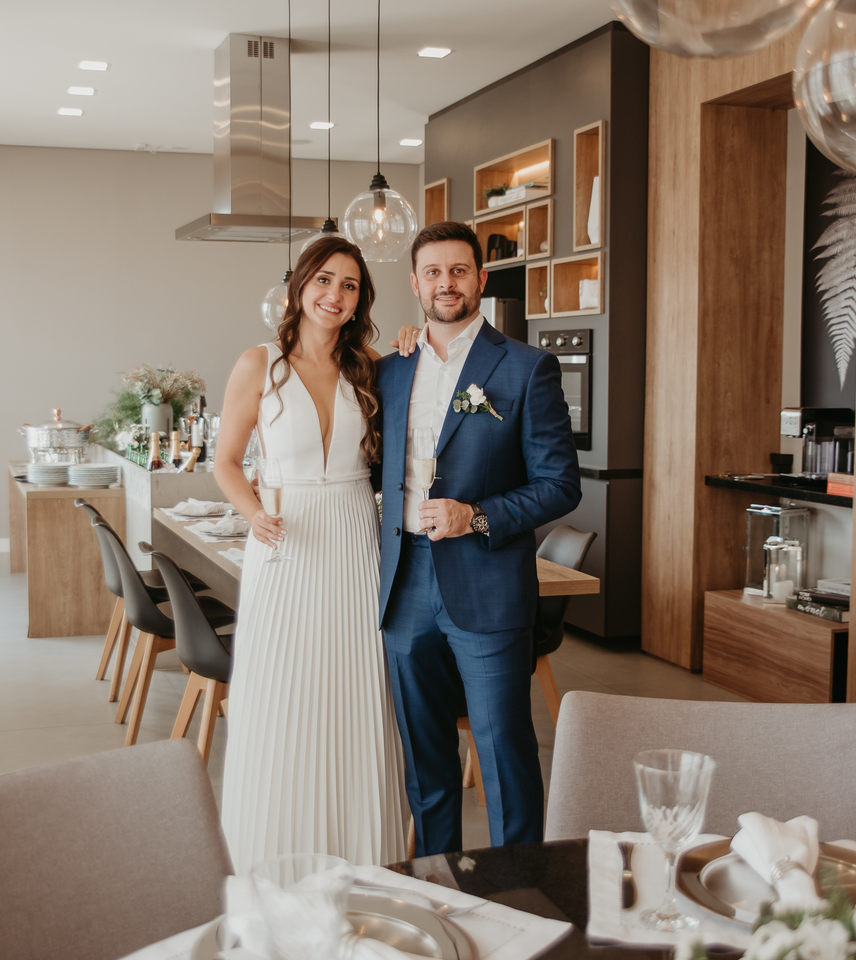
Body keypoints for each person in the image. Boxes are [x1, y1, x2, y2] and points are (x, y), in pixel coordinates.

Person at [373, 220, 582, 856]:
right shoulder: (389, 372)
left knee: (503, 750)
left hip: (488, 585)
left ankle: (519, 890)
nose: (446, 283)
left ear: (480, 280)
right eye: (433, 272)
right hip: (404, 583)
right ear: (415, 284)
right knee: (424, 756)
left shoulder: (526, 368)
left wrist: (477, 516)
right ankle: (435, 882)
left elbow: (560, 485)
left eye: (458, 271)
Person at [214, 235, 405, 874]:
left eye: (349, 285)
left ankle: (362, 860)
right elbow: (226, 462)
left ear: (359, 300)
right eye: (324, 279)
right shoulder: (258, 364)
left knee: (357, 694)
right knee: (281, 697)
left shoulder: (370, 366)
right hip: (283, 543)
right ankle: (273, 858)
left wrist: (412, 344)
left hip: (354, 540)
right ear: (300, 285)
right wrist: (253, 514)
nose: (334, 295)